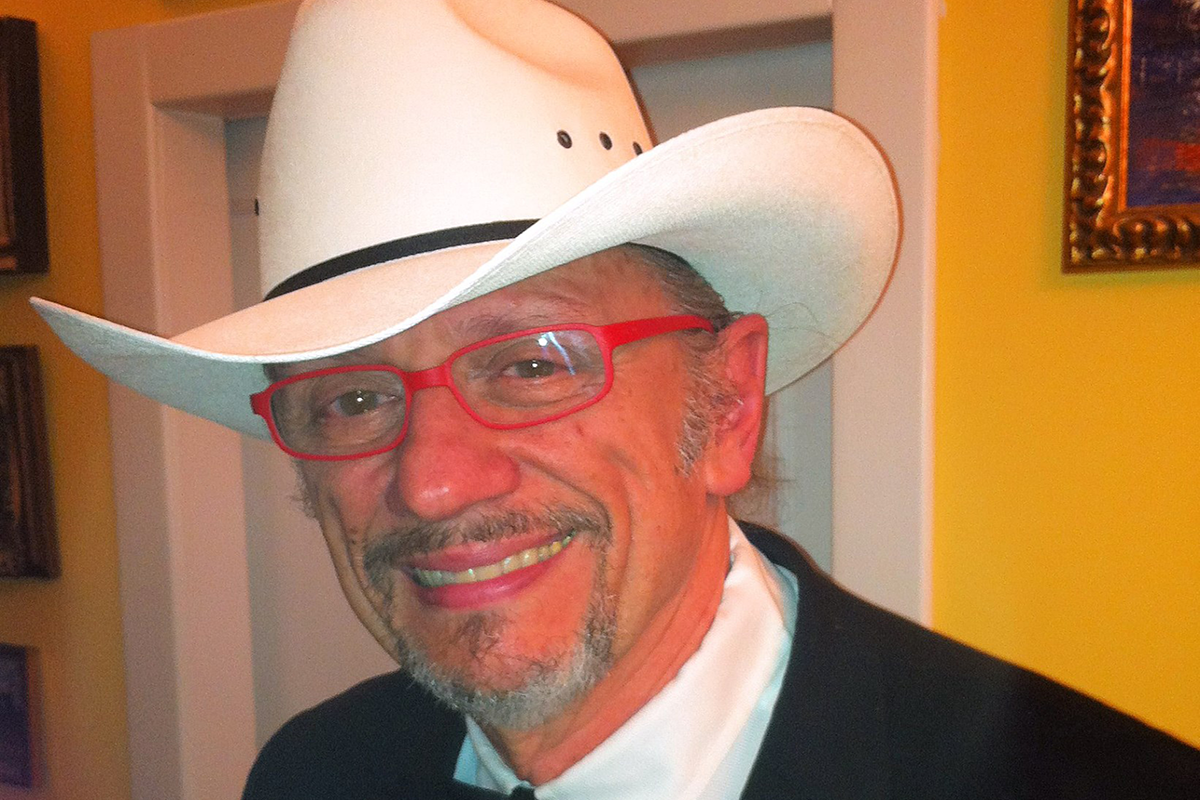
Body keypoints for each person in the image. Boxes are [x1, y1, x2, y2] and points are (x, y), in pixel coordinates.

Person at [33, 0, 1200, 797]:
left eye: (532, 362)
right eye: (349, 399)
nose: (432, 480)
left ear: (727, 402)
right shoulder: (317, 772)